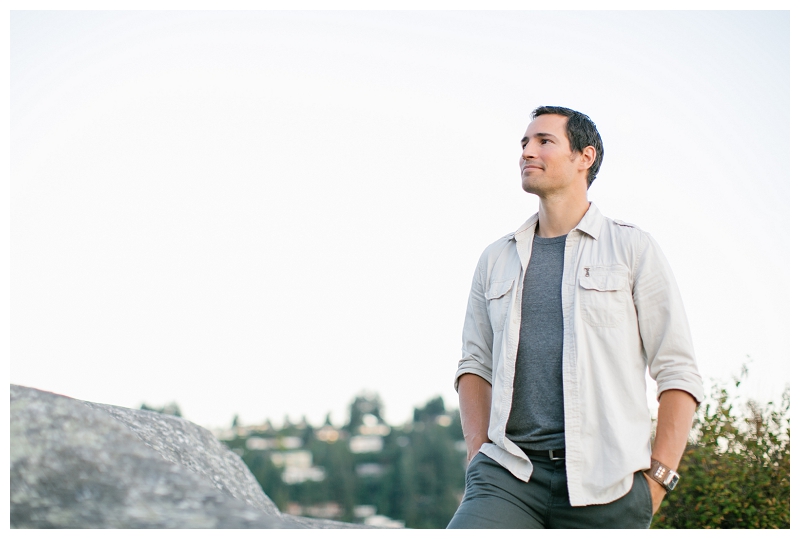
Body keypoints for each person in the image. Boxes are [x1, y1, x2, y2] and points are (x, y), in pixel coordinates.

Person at [447, 106, 704, 529]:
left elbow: (678, 370)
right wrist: (478, 452)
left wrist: (658, 479)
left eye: (544, 141)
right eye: (525, 143)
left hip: (610, 485)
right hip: (509, 474)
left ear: (586, 157)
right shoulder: (496, 259)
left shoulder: (632, 249)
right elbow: (474, 364)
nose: (528, 151)